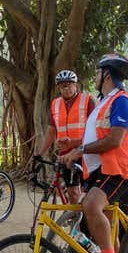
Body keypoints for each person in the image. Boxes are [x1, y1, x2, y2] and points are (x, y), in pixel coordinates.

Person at [60, 53, 128, 253]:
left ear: (107, 74)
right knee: (103, 223)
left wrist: (81, 151)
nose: (94, 77)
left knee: (91, 206)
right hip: (102, 170)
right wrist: (75, 148)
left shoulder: (121, 101)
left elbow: (114, 140)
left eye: (97, 72)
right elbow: (93, 137)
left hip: (118, 169)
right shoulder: (104, 102)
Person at [34, 70, 96, 203]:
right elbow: (51, 130)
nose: (66, 88)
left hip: (85, 152)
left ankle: (87, 220)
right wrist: (40, 152)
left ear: (76, 85)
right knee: (73, 192)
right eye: (63, 86)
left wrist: (75, 143)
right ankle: (76, 222)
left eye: (69, 84)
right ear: (58, 88)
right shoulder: (55, 104)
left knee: (88, 192)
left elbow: (95, 129)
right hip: (65, 155)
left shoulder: (87, 100)